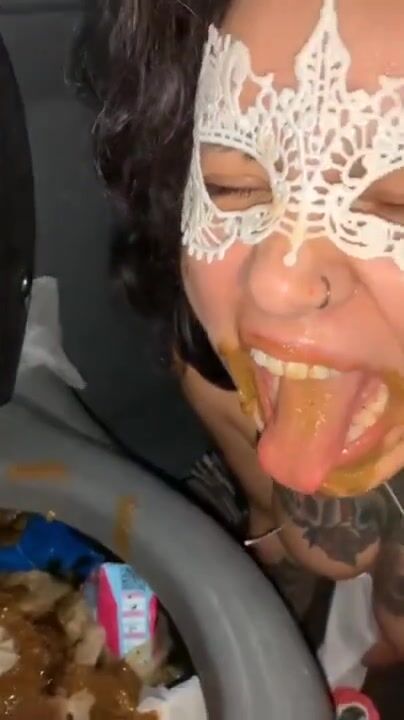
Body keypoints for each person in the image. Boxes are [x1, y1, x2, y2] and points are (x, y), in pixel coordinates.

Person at [76, 0, 404, 713]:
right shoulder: (217, 372)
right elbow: (298, 542)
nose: (274, 282)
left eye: (396, 206)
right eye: (233, 187)